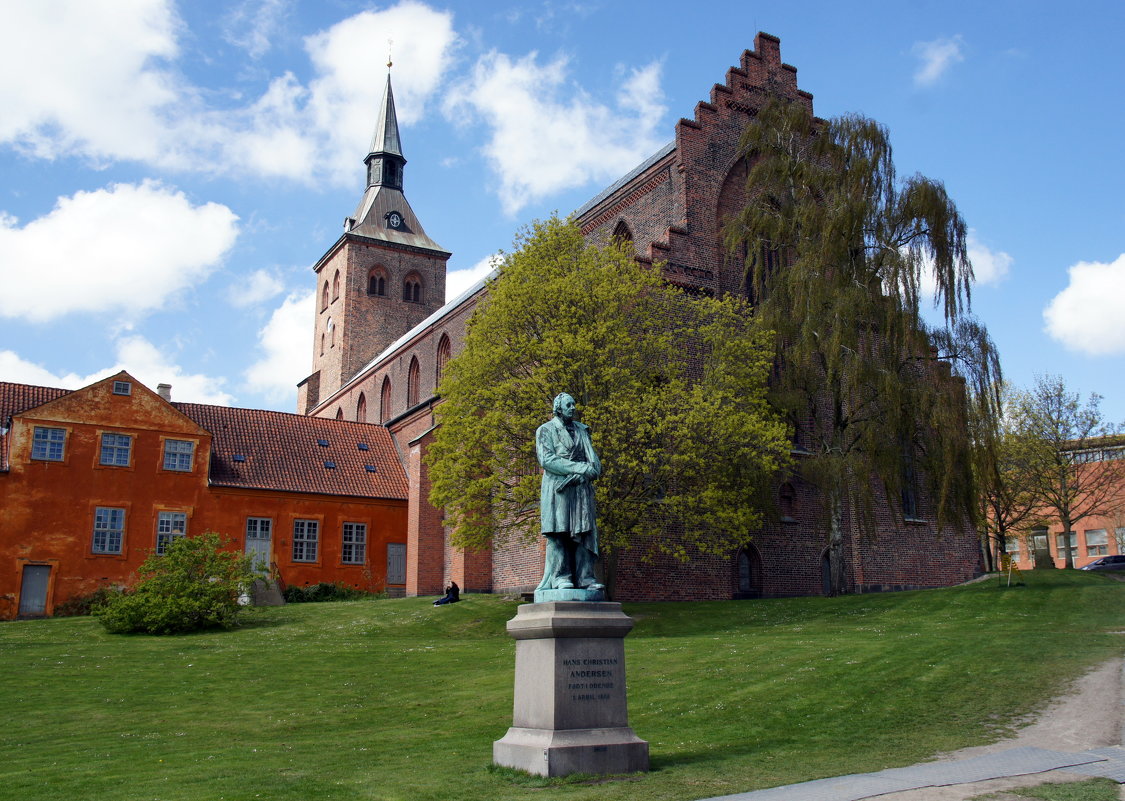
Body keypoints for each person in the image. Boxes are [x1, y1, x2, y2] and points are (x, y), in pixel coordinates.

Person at [535, 393, 605, 592]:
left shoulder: (583, 431)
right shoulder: (545, 430)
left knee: (585, 533)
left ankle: (586, 577)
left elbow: (594, 463)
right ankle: (560, 577)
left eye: (574, 404)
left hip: (581, 489)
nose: (573, 408)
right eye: (569, 405)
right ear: (558, 408)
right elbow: (547, 460)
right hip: (558, 490)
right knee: (560, 533)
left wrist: (588, 471)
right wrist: (579, 468)